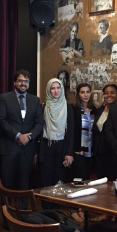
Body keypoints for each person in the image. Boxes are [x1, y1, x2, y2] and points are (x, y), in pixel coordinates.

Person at [0, 70, 43, 211]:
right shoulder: (4, 98)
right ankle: (7, 217)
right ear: (14, 83)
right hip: (9, 148)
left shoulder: (35, 100)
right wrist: (17, 135)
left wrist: (28, 136)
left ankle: (23, 215)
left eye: (26, 81)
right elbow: (1, 121)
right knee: (7, 185)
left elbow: (39, 123)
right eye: (20, 80)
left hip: (27, 149)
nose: (23, 83)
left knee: (24, 185)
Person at [38, 78, 74, 209]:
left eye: (58, 88)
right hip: (46, 147)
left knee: (59, 181)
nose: (56, 91)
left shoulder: (68, 107)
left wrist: (69, 153)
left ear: (62, 89)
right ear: (48, 90)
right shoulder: (43, 107)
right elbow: (39, 130)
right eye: (52, 88)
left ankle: (56, 211)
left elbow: (71, 132)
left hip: (62, 147)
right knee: (45, 181)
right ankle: (46, 211)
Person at [70, 83, 95, 222]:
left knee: (86, 182)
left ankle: (82, 209)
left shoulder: (94, 110)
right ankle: (74, 209)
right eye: (82, 92)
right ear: (78, 94)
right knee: (77, 182)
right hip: (78, 151)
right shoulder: (73, 109)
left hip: (91, 152)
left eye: (87, 92)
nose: (85, 94)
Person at [93, 84, 117, 181]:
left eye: (112, 93)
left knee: (112, 182)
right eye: (106, 93)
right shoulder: (100, 110)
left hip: (113, 153)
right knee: (100, 182)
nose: (109, 95)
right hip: (99, 153)